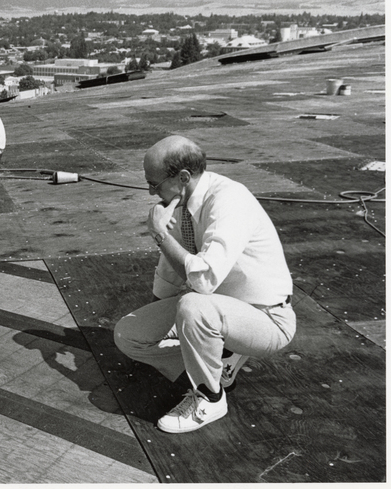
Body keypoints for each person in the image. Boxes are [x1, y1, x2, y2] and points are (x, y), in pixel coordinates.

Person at [114, 135, 295, 434]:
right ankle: (220, 357)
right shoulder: (182, 204)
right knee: (128, 335)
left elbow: (203, 279)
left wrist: (159, 235)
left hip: (266, 317)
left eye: (154, 183)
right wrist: (155, 321)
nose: (150, 191)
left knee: (193, 304)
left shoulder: (228, 201)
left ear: (183, 177)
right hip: (217, 309)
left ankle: (210, 398)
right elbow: (171, 275)